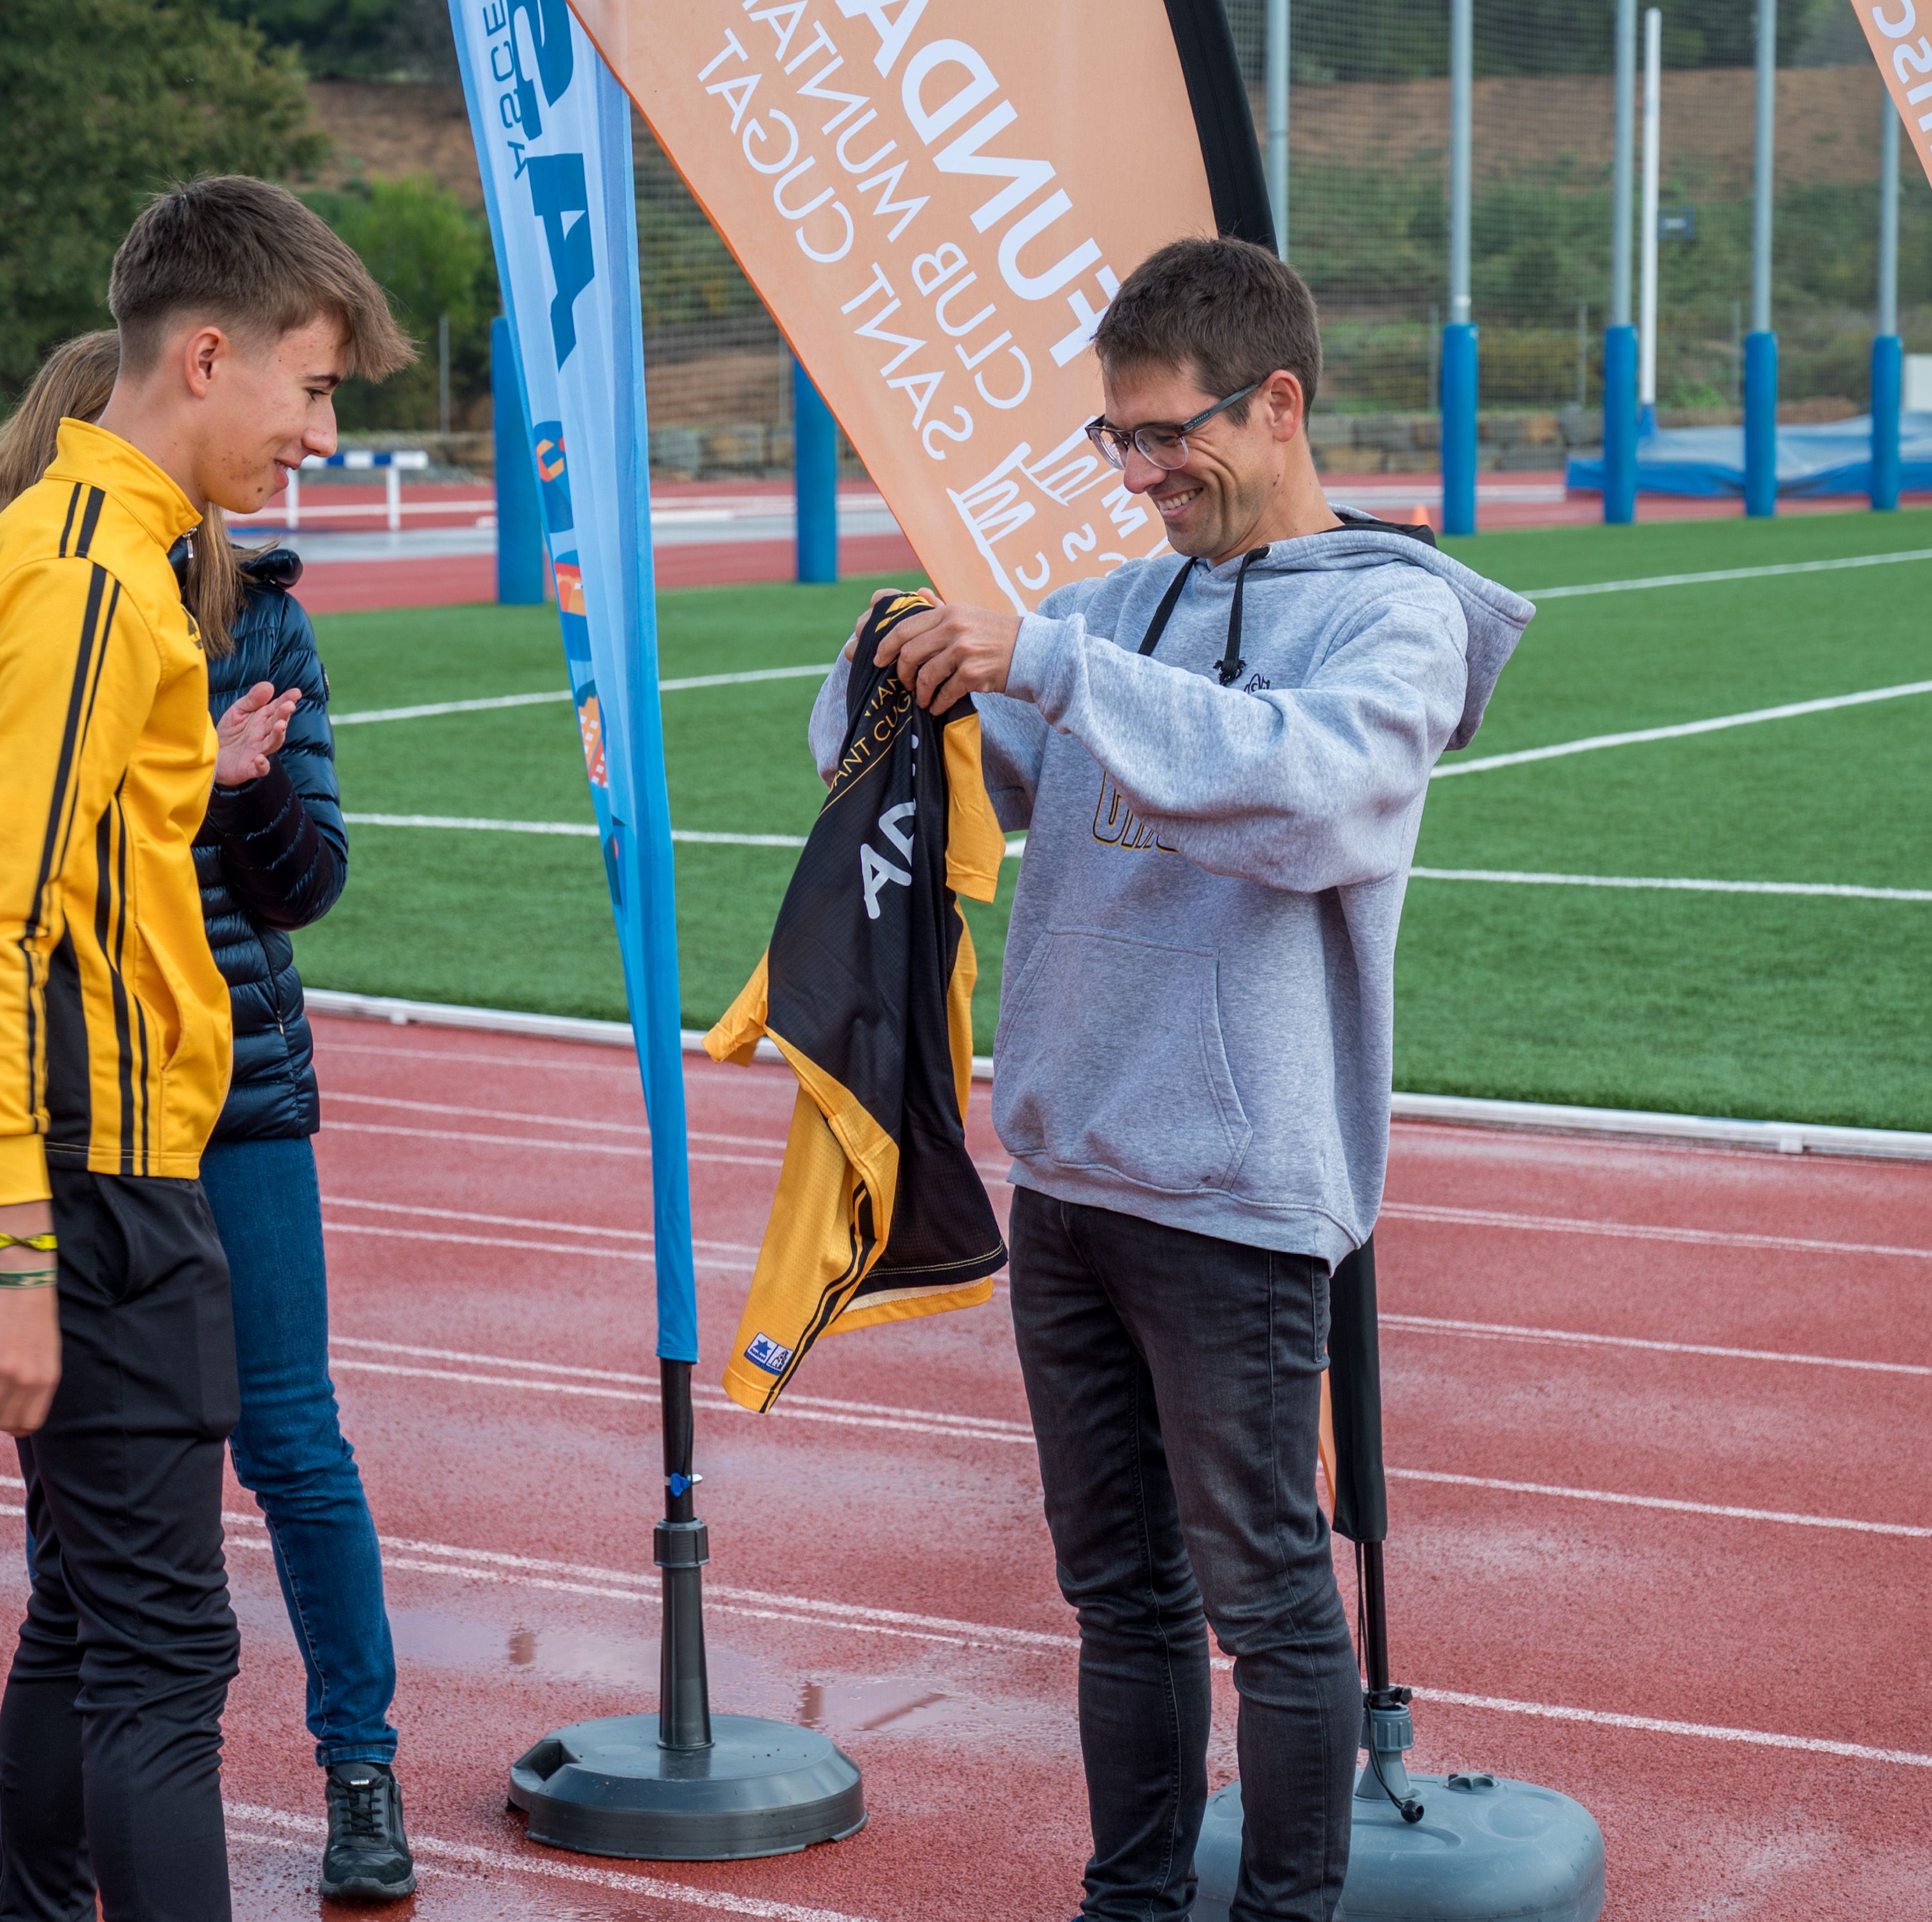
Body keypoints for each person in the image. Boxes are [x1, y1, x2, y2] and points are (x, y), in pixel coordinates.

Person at [825, 238, 1530, 1922]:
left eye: (1166, 439)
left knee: (1270, 1599)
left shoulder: (1392, 616)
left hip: (1237, 1190)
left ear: (1279, 405)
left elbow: (1309, 796)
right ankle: (1126, 1905)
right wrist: (887, 670)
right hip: (1068, 1180)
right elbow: (914, 761)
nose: (1139, 478)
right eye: (1115, 444)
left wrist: (1052, 667)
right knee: (1117, 1598)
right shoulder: (1104, 608)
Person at [0, 177, 406, 1922]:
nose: (323, 435)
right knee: (165, 1652)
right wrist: (28, 1245)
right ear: (207, 356)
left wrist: (176, 782)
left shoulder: (101, 556)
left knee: (92, 1610)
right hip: (92, 1167)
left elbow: (68, 849)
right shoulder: (89, 583)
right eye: (316, 389)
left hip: (115, 1149)